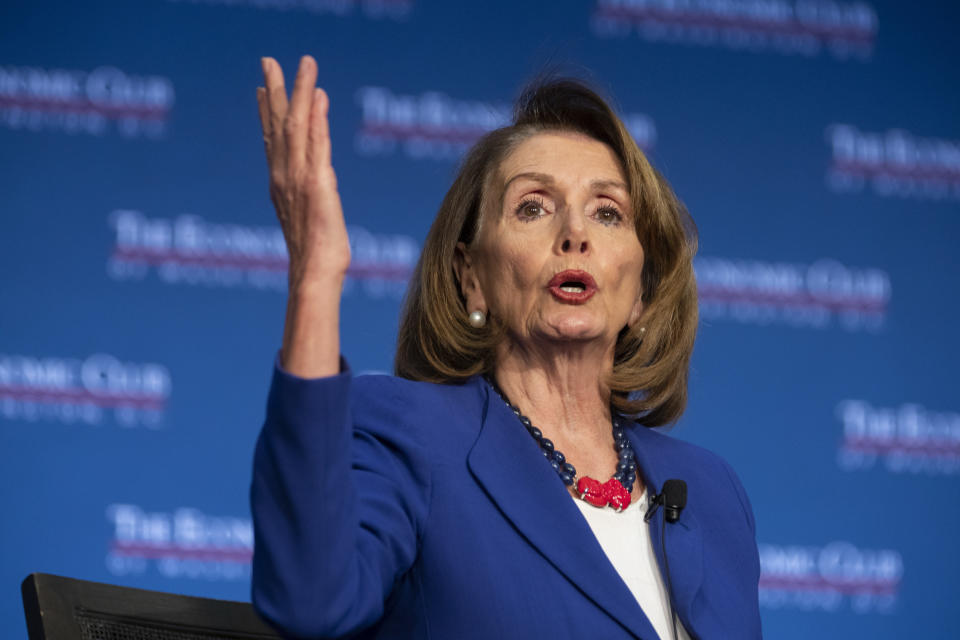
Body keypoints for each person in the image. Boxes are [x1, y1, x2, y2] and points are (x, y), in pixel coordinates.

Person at [251, 55, 762, 640]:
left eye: (607, 212)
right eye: (532, 207)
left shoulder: (713, 491)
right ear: (473, 277)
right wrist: (315, 277)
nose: (575, 233)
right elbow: (309, 600)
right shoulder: (413, 435)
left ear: (641, 293)